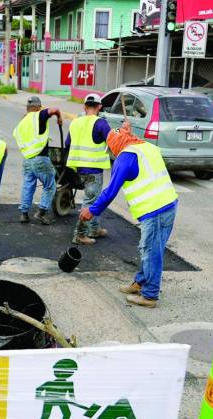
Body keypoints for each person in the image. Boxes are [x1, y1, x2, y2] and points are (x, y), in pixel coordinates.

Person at [79, 124, 178, 308]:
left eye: (111, 148)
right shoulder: (147, 147)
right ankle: (140, 282)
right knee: (151, 249)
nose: (113, 152)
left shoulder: (125, 158)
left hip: (155, 210)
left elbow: (110, 191)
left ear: (116, 144)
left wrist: (92, 210)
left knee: (151, 252)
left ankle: (150, 296)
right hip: (169, 204)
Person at [66, 93, 112, 245]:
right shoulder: (101, 123)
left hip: (79, 169)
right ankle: (79, 234)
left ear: (84, 107)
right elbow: (113, 141)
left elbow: (67, 144)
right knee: (91, 202)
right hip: (93, 169)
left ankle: (94, 229)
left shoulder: (75, 123)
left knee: (95, 199)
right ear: (99, 107)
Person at [12, 95, 64, 225]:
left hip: (27, 160)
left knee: (28, 186)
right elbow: (55, 109)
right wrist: (59, 118)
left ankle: (24, 214)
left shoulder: (22, 123)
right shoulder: (38, 115)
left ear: (27, 108)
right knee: (50, 185)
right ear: (38, 107)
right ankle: (41, 212)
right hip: (41, 158)